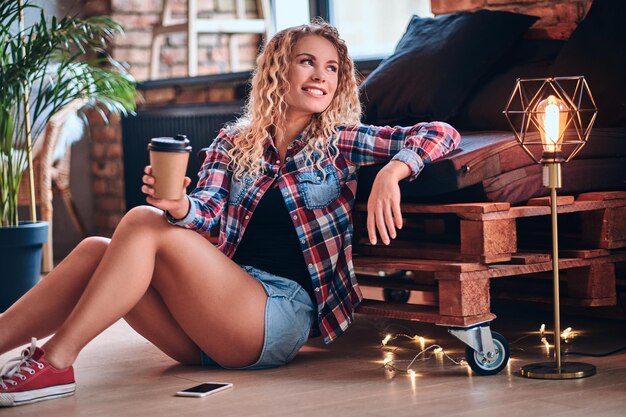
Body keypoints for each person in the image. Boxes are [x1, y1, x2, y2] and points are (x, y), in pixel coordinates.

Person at [0, 19, 460, 407]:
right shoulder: (233, 142)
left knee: (141, 222)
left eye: (332, 67)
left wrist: (392, 172)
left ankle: (56, 362)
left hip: (276, 317)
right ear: (279, 70)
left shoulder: (340, 140)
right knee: (95, 249)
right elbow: (210, 217)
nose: (321, 74)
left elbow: (440, 133)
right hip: (206, 322)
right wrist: (180, 207)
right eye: (307, 61)